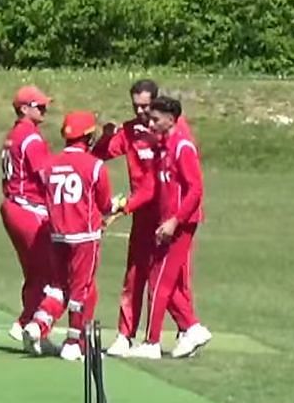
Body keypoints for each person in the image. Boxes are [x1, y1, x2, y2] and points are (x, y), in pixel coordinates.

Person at [24, 111, 113, 361]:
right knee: (80, 291)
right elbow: (104, 203)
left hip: (57, 235)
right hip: (84, 237)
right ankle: (75, 342)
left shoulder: (50, 165)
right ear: (88, 136)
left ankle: (38, 324)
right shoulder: (94, 166)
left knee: (58, 288)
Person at [128, 96, 212, 360]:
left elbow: (195, 189)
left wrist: (175, 220)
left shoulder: (182, 147)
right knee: (167, 282)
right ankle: (192, 328)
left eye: (155, 119)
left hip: (180, 225)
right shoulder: (164, 147)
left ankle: (152, 342)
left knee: (159, 282)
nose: (150, 124)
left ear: (171, 119)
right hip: (167, 223)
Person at [91, 79, 162, 356]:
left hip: (165, 212)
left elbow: (155, 185)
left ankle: (184, 330)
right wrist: (107, 135)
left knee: (168, 280)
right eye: (136, 106)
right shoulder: (131, 130)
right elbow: (98, 156)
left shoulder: (166, 132)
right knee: (134, 275)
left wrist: (120, 209)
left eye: (146, 105)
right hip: (141, 212)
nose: (141, 111)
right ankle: (125, 334)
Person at [0, 86, 56, 347]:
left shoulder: (14, 134)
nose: (44, 110)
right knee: (49, 271)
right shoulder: (31, 138)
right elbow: (46, 176)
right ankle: (26, 323)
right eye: (39, 106)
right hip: (28, 208)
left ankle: (34, 332)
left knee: (34, 273)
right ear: (24, 108)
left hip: (13, 206)